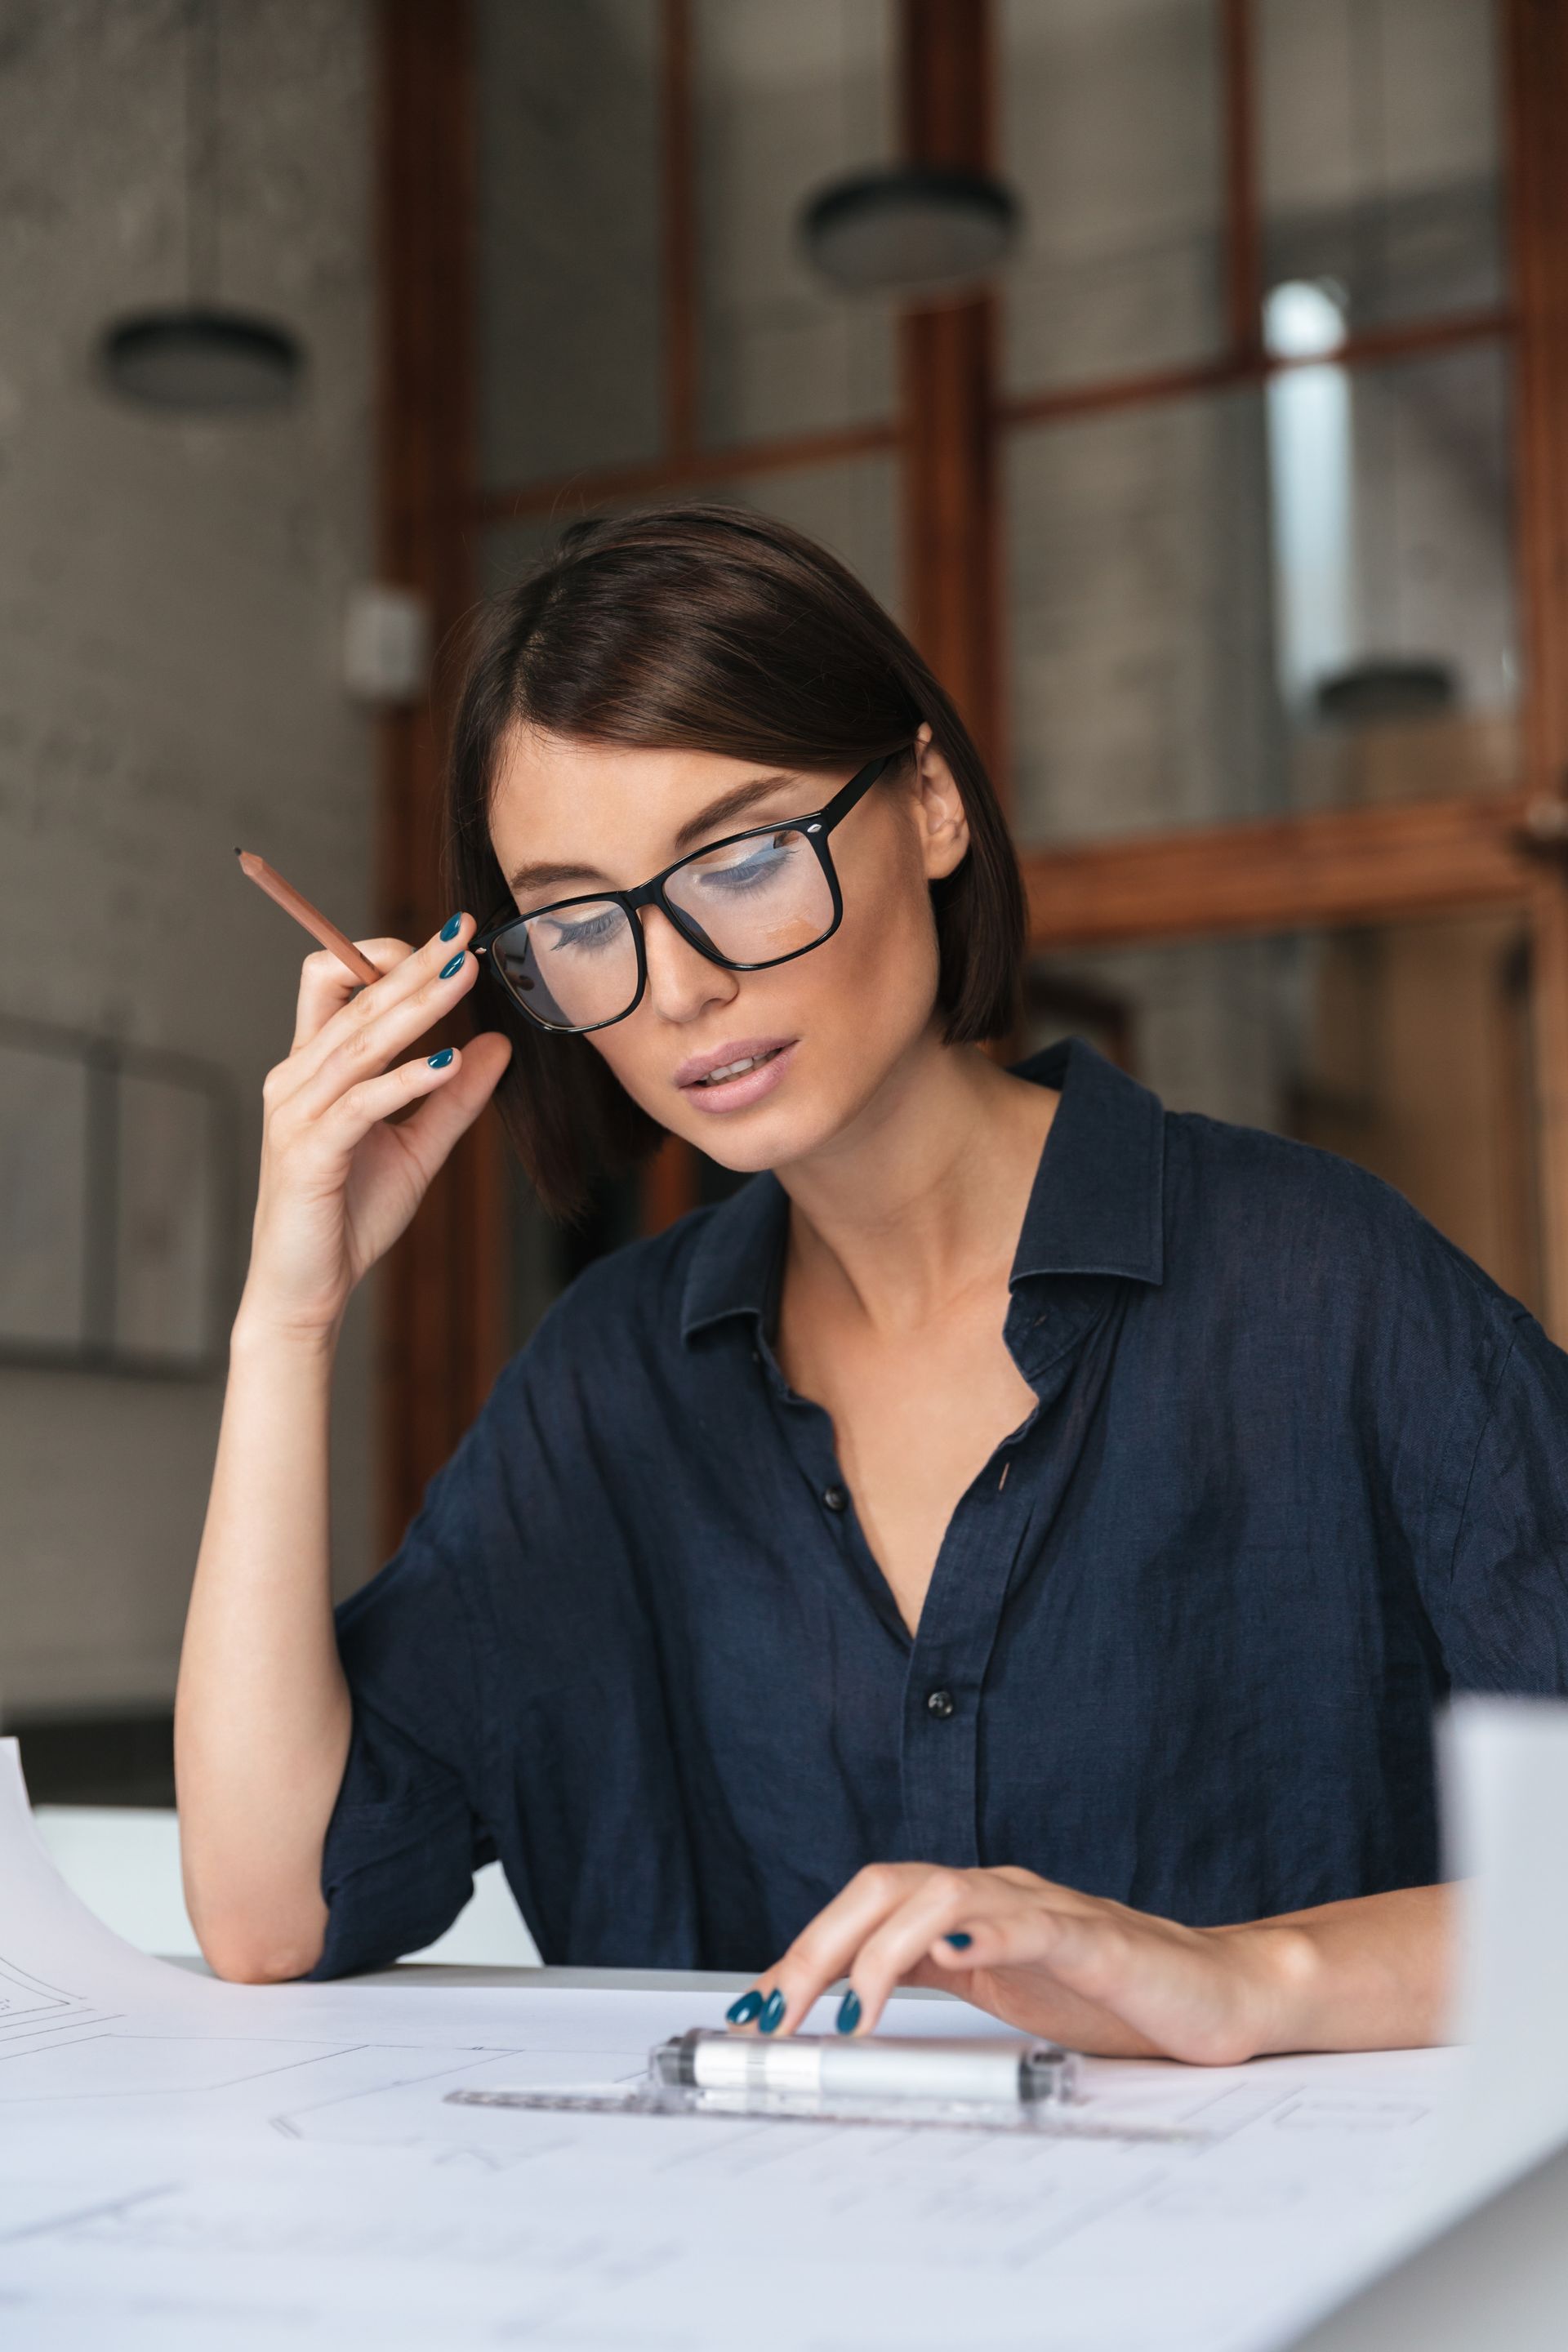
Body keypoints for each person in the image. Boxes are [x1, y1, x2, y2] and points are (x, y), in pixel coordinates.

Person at [176, 505, 1568, 2064]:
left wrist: (1242, 1980)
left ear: (927, 803)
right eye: (579, 919)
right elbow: (270, 1910)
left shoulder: (1321, 1287)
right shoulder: (614, 1381)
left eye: (746, 855)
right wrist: (287, 1311)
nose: (683, 978)